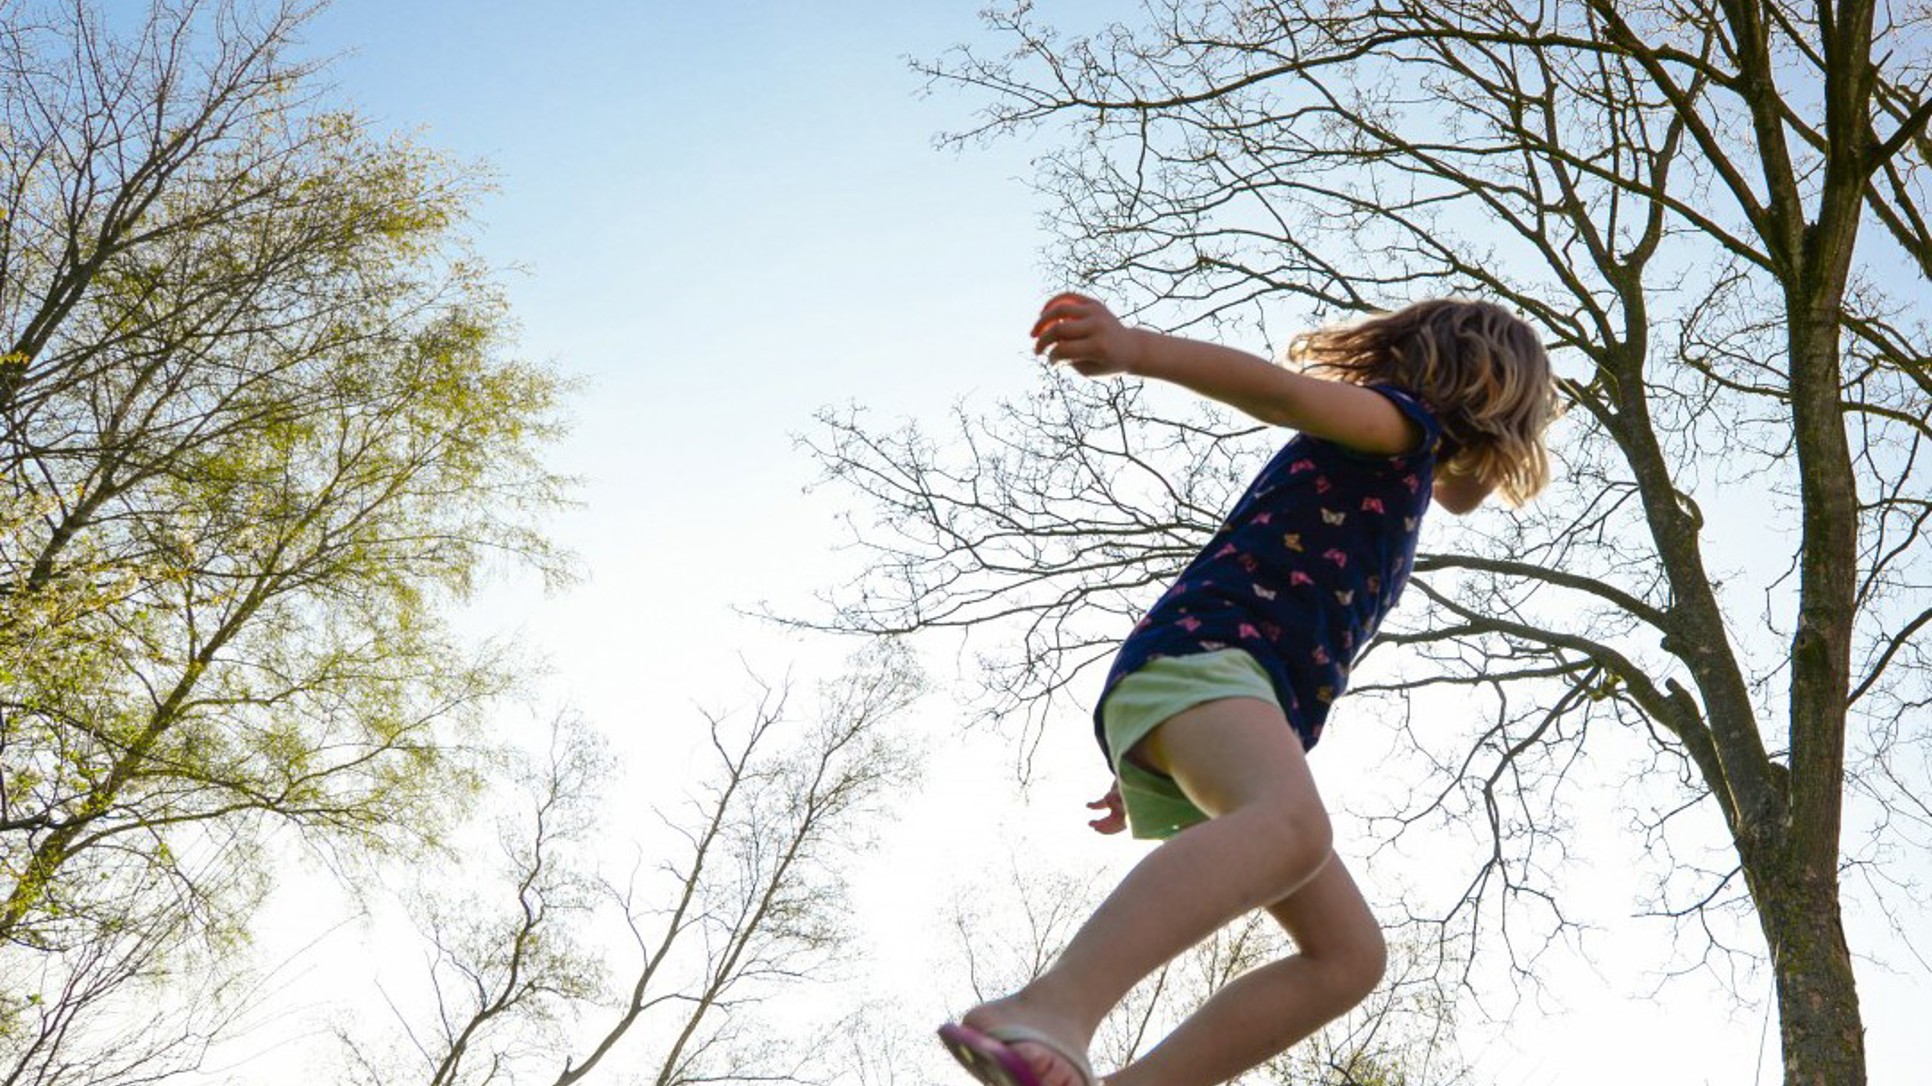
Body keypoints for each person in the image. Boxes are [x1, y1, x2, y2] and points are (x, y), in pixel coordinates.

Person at [937, 293, 1559, 1086]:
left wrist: (1174, 752)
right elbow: (1282, 391)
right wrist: (1135, 349)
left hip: (1209, 691)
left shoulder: (1402, 467)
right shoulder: (1396, 427)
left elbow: (1464, 492)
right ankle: (1048, 1006)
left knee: (1348, 956)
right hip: (1210, 662)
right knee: (1295, 829)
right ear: (1488, 394)